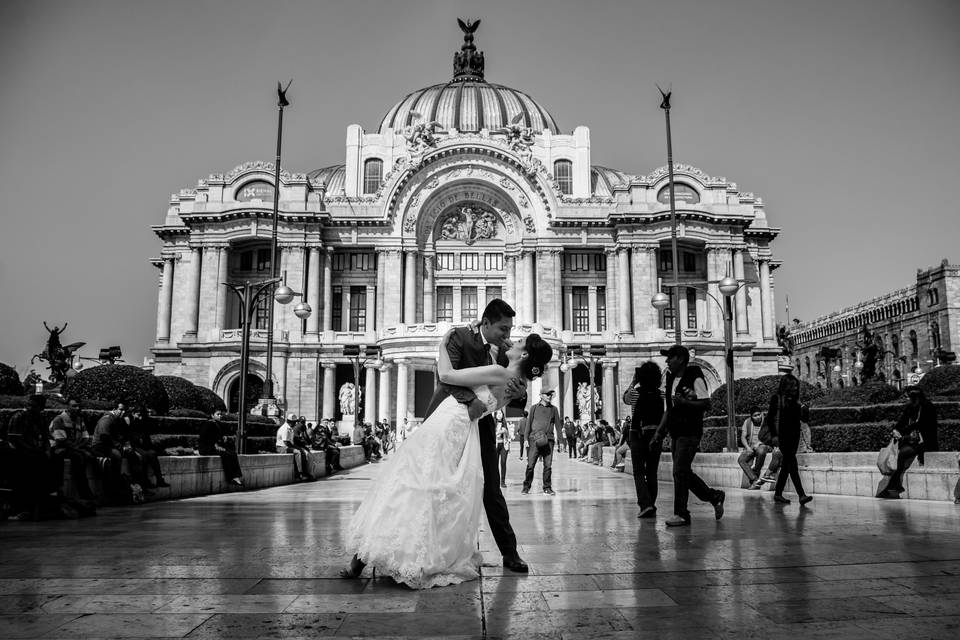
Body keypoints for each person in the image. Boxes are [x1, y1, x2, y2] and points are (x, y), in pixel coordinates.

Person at [341, 300, 547, 586]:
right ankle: (377, 555)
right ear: (485, 323)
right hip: (452, 418)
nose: (508, 334)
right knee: (420, 484)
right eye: (504, 328)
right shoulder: (461, 337)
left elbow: (476, 383)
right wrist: (473, 398)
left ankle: (507, 552)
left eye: (512, 331)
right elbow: (447, 382)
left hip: (475, 429)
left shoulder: (504, 359)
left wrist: (515, 391)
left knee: (471, 490)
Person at [653, 345, 725, 527]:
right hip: (676, 431)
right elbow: (669, 408)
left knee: (679, 471)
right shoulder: (670, 378)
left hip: (690, 431)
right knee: (682, 472)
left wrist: (685, 402)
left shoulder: (694, 375)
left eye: (670, 357)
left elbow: (706, 404)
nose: (667, 361)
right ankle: (714, 496)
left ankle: (682, 513)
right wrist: (660, 432)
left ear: (680, 359)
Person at [623, 361, 664, 518]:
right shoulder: (660, 394)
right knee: (652, 472)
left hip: (637, 433)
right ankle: (651, 504)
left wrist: (634, 381)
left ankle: (645, 504)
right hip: (655, 433)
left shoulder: (636, 393)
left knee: (639, 472)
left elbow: (625, 399)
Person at [5, 394, 56, 518]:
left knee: (53, 460)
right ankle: (24, 507)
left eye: (34, 406)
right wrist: (35, 450)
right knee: (31, 464)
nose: (30, 408)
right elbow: (15, 439)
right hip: (18, 453)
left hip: (35, 452)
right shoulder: (19, 417)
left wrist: (47, 450)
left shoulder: (41, 418)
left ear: (41, 408)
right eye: (29, 405)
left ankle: (44, 501)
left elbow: (45, 437)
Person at [883, 386, 939, 498]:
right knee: (897, 452)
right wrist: (895, 430)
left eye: (906, 397)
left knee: (902, 453)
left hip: (925, 441)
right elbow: (902, 421)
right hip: (912, 440)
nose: (905, 399)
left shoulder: (927, 407)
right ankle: (892, 485)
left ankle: (894, 487)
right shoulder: (910, 407)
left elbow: (921, 424)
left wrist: (903, 431)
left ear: (914, 397)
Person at [767, 374, 813, 505]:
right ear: (786, 386)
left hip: (794, 437)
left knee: (787, 466)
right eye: (793, 385)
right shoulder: (777, 399)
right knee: (792, 465)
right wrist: (774, 436)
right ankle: (801, 495)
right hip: (782, 437)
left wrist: (805, 409)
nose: (795, 388)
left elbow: (804, 420)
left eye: (796, 385)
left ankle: (778, 494)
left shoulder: (796, 401)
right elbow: (770, 418)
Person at [48, 399, 97, 500]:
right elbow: (61, 440)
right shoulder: (59, 419)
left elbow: (85, 437)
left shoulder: (80, 419)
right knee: (78, 457)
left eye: (79, 406)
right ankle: (85, 494)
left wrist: (80, 448)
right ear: (68, 407)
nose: (77, 408)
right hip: (60, 449)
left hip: (74, 447)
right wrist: (79, 449)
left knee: (93, 455)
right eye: (74, 406)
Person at [521, 388, 561, 496]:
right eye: (547, 394)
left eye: (550, 394)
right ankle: (526, 487)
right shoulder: (534, 408)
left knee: (548, 465)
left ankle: (547, 488)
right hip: (534, 439)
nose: (549, 396)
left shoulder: (554, 409)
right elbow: (529, 424)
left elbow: (558, 425)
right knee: (530, 465)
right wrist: (525, 439)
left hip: (549, 440)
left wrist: (561, 441)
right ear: (541, 395)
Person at [128, 406, 170, 489]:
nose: (140, 417)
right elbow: (129, 436)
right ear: (134, 413)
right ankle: (145, 481)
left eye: (142, 415)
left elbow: (147, 437)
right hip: (135, 446)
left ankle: (159, 479)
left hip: (144, 446)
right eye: (138, 415)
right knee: (144, 456)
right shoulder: (130, 422)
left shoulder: (144, 421)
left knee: (153, 454)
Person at [199, 410, 243, 486]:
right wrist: (216, 446)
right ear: (212, 415)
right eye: (218, 414)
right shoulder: (208, 424)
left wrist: (224, 437)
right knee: (226, 454)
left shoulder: (218, 424)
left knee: (232, 453)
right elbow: (205, 438)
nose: (220, 416)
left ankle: (236, 477)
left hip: (215, 447)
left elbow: (219, 435)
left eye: (220, 414)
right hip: (207, 448)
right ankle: (231, 478)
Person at [737, 409, 771, 488]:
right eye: (755, 416)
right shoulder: (747, 422)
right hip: (751, 446)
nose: (758, 417)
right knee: (741, 459)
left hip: (763, 444)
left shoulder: (766, 421)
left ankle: (756, 471)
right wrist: (748, 448)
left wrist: (759, 443)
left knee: (761, 451)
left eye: (759, 414)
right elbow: (743, 437)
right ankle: (755, 480)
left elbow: (770, 435)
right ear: (751, 417)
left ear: (761, 414)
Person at [276, 413, 311, 480]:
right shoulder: (285, 428)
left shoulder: (290, 428)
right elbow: (286, 442)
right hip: (281, 447)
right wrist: (296, 447)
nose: (296, 424)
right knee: (298, 452)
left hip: (287, 446)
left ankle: (305, 472)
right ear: (291, 422)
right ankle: (299, 473)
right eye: (295, 422)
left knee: (302, 451)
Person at [495, 411, 510, 488]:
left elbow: (508, 435)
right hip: (496, 445)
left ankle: (502, 482)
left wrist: (506, 431)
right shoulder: (493, 423)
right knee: (495, 464)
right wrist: (499, 431)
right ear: (495, 415)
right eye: (498, 413)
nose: (499, 415)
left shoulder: (505, 423)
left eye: (501, 413)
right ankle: (496, 481)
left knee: (503, 463)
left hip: (504, 446)